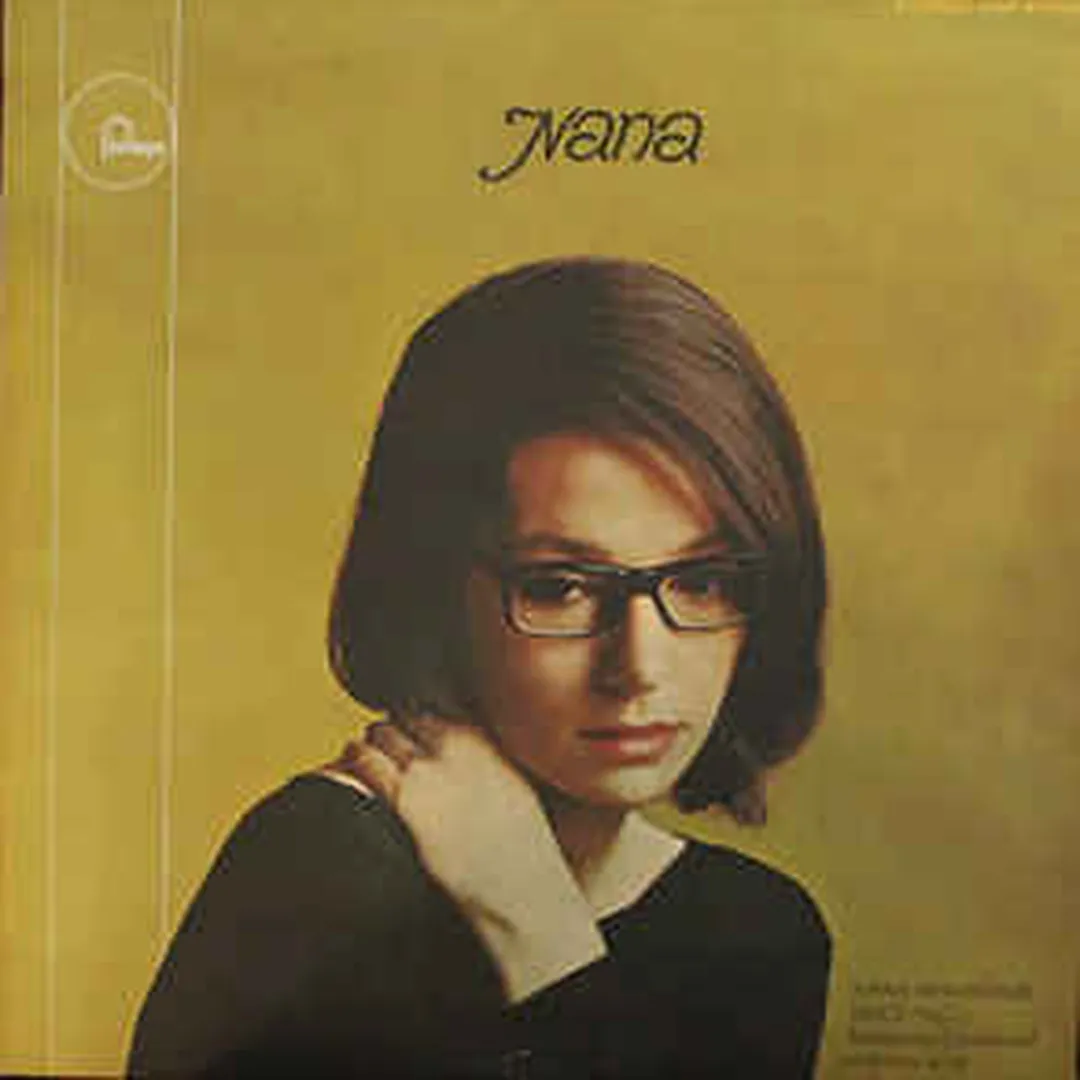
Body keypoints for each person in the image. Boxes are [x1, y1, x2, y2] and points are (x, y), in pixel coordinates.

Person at [128, 256, 832, 1078]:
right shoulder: (322, 872)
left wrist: (537, 929)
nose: (640, 666)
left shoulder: (759, 932)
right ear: (432, 587)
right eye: (561, 587)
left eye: (702, 581)